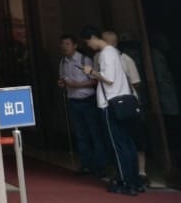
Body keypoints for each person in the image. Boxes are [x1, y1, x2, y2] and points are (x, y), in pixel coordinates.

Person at [81, 26, 142, 196]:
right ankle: (134, 179)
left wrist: (91, 72)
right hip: (123, 103)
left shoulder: (105, 54)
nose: (89, 46)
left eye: (88, 42)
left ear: (93, 38)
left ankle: (125, 181)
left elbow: (108, 79)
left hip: (111, 104)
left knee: (118, 145)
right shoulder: (114, 52)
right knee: (128, 143)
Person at [58, 34, 106, 177]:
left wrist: (77, 85)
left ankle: (100, 167)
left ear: (75, 45)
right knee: (81, 135)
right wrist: (62, 84)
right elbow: (62, 79)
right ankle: (86, 165)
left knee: (95, 134)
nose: (64, 46)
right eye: (62, 44)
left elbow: (95, 80)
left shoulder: (84, 60)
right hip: (73, 101)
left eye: (67, 43)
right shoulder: (62, 62)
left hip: (88, 100)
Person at [106, 30, 149, 184]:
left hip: (129, 103)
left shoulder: (126, 60)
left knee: (137, 139)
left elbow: (136, 82)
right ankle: (124, 172)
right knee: (120, 140)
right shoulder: (101, 58)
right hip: (112, 104)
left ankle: (141, 172)